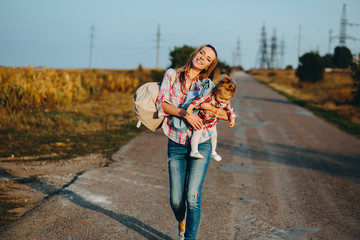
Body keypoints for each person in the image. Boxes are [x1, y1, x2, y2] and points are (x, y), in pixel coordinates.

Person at [156, 45, 229, 240]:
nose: (202, 58)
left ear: (209, 66)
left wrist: (206, 106)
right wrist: (186, 114)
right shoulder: (172, 75)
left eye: (208, 59)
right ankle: (182, 221)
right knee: (176, 200)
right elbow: (161, 103)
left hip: (202, 143)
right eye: (201, 53)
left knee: (192, 197)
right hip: (176, 142)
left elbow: (223, 112)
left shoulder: (208, 86)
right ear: (195, 54)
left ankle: (190, 237)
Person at [186, 76, 236, 161]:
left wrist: (232, 119)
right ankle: (194, 151)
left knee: (214, 136)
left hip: (211, 123)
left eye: (226, 99)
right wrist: (190, 107)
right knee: (197, 133)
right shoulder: (209, 97)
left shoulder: (225, 102)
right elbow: (198, 100)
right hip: (201, 120)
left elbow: (230, 110)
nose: (223, 101)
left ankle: (213, 152)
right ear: (216, 92)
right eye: (221, 98)